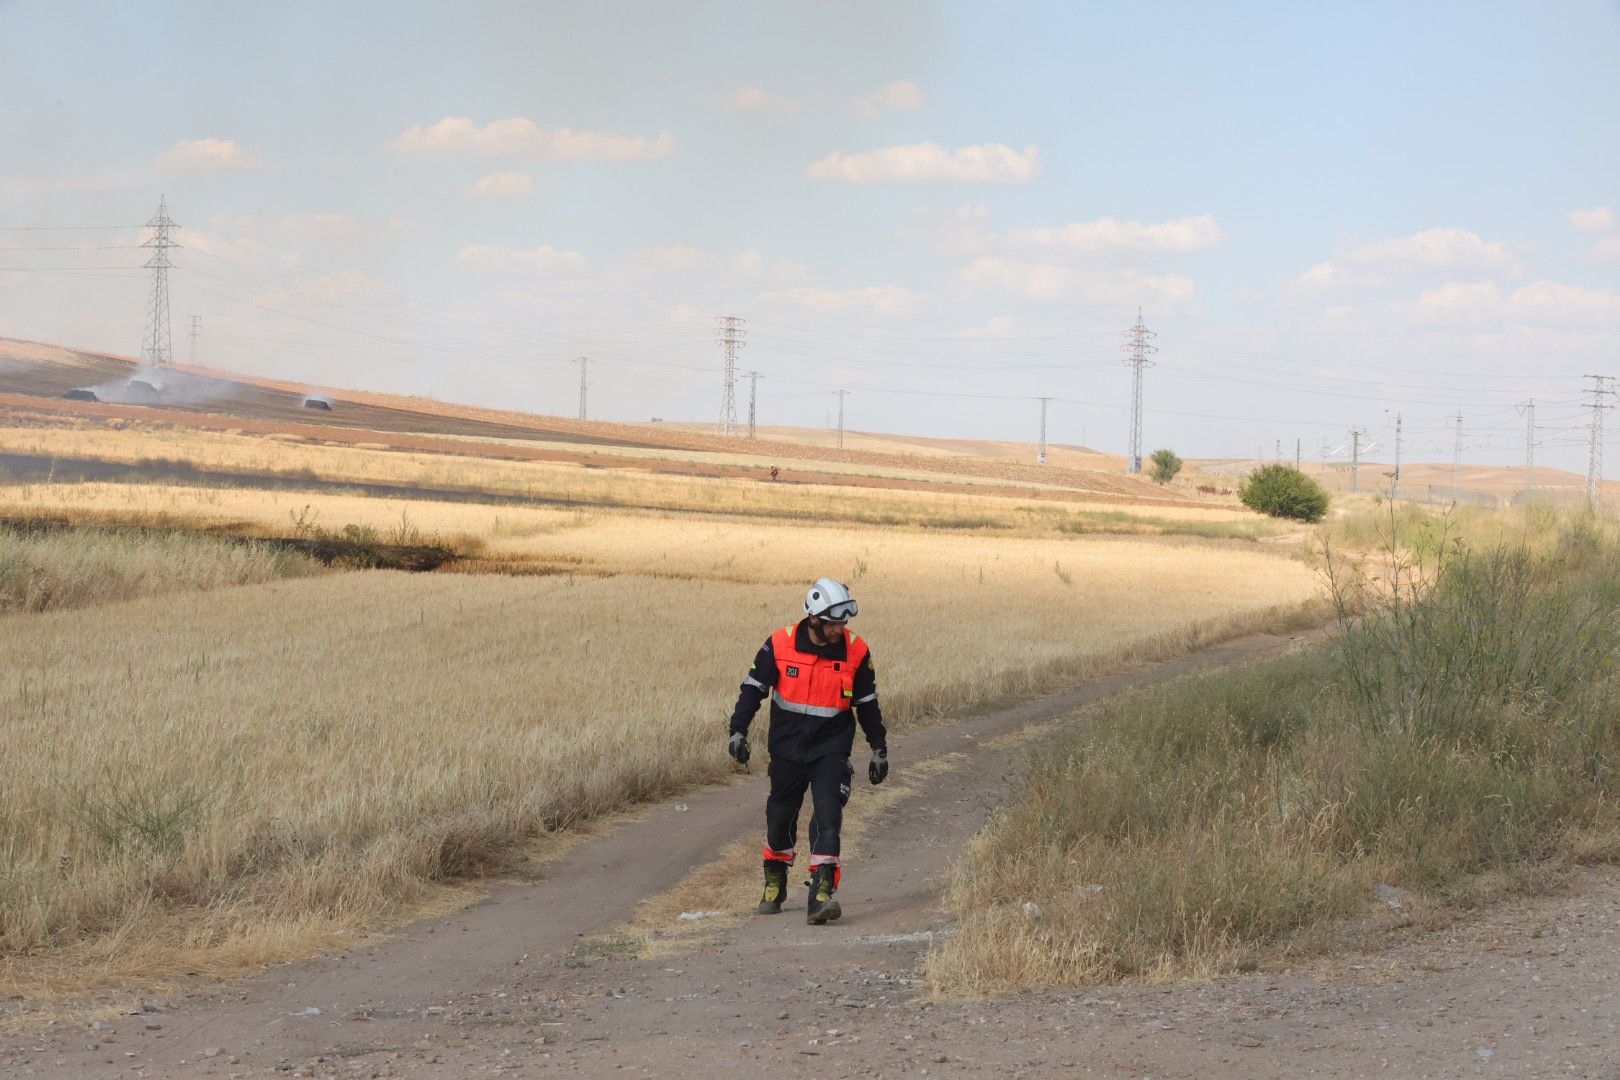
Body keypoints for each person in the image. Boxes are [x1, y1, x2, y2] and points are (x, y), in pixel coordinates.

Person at [728, 577, 888, 924]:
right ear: (814, 618)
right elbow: (753, 689)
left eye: (844, 622)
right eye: (835, 622)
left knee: (828, 815)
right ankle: (775, 879)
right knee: (779, 819)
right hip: (786, 750)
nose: (841, 629)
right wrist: (737, 730)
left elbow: (868, 704)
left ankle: (821, 892)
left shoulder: (857, 651)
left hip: (830, 750)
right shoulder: (780, 644)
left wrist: (879, 748)